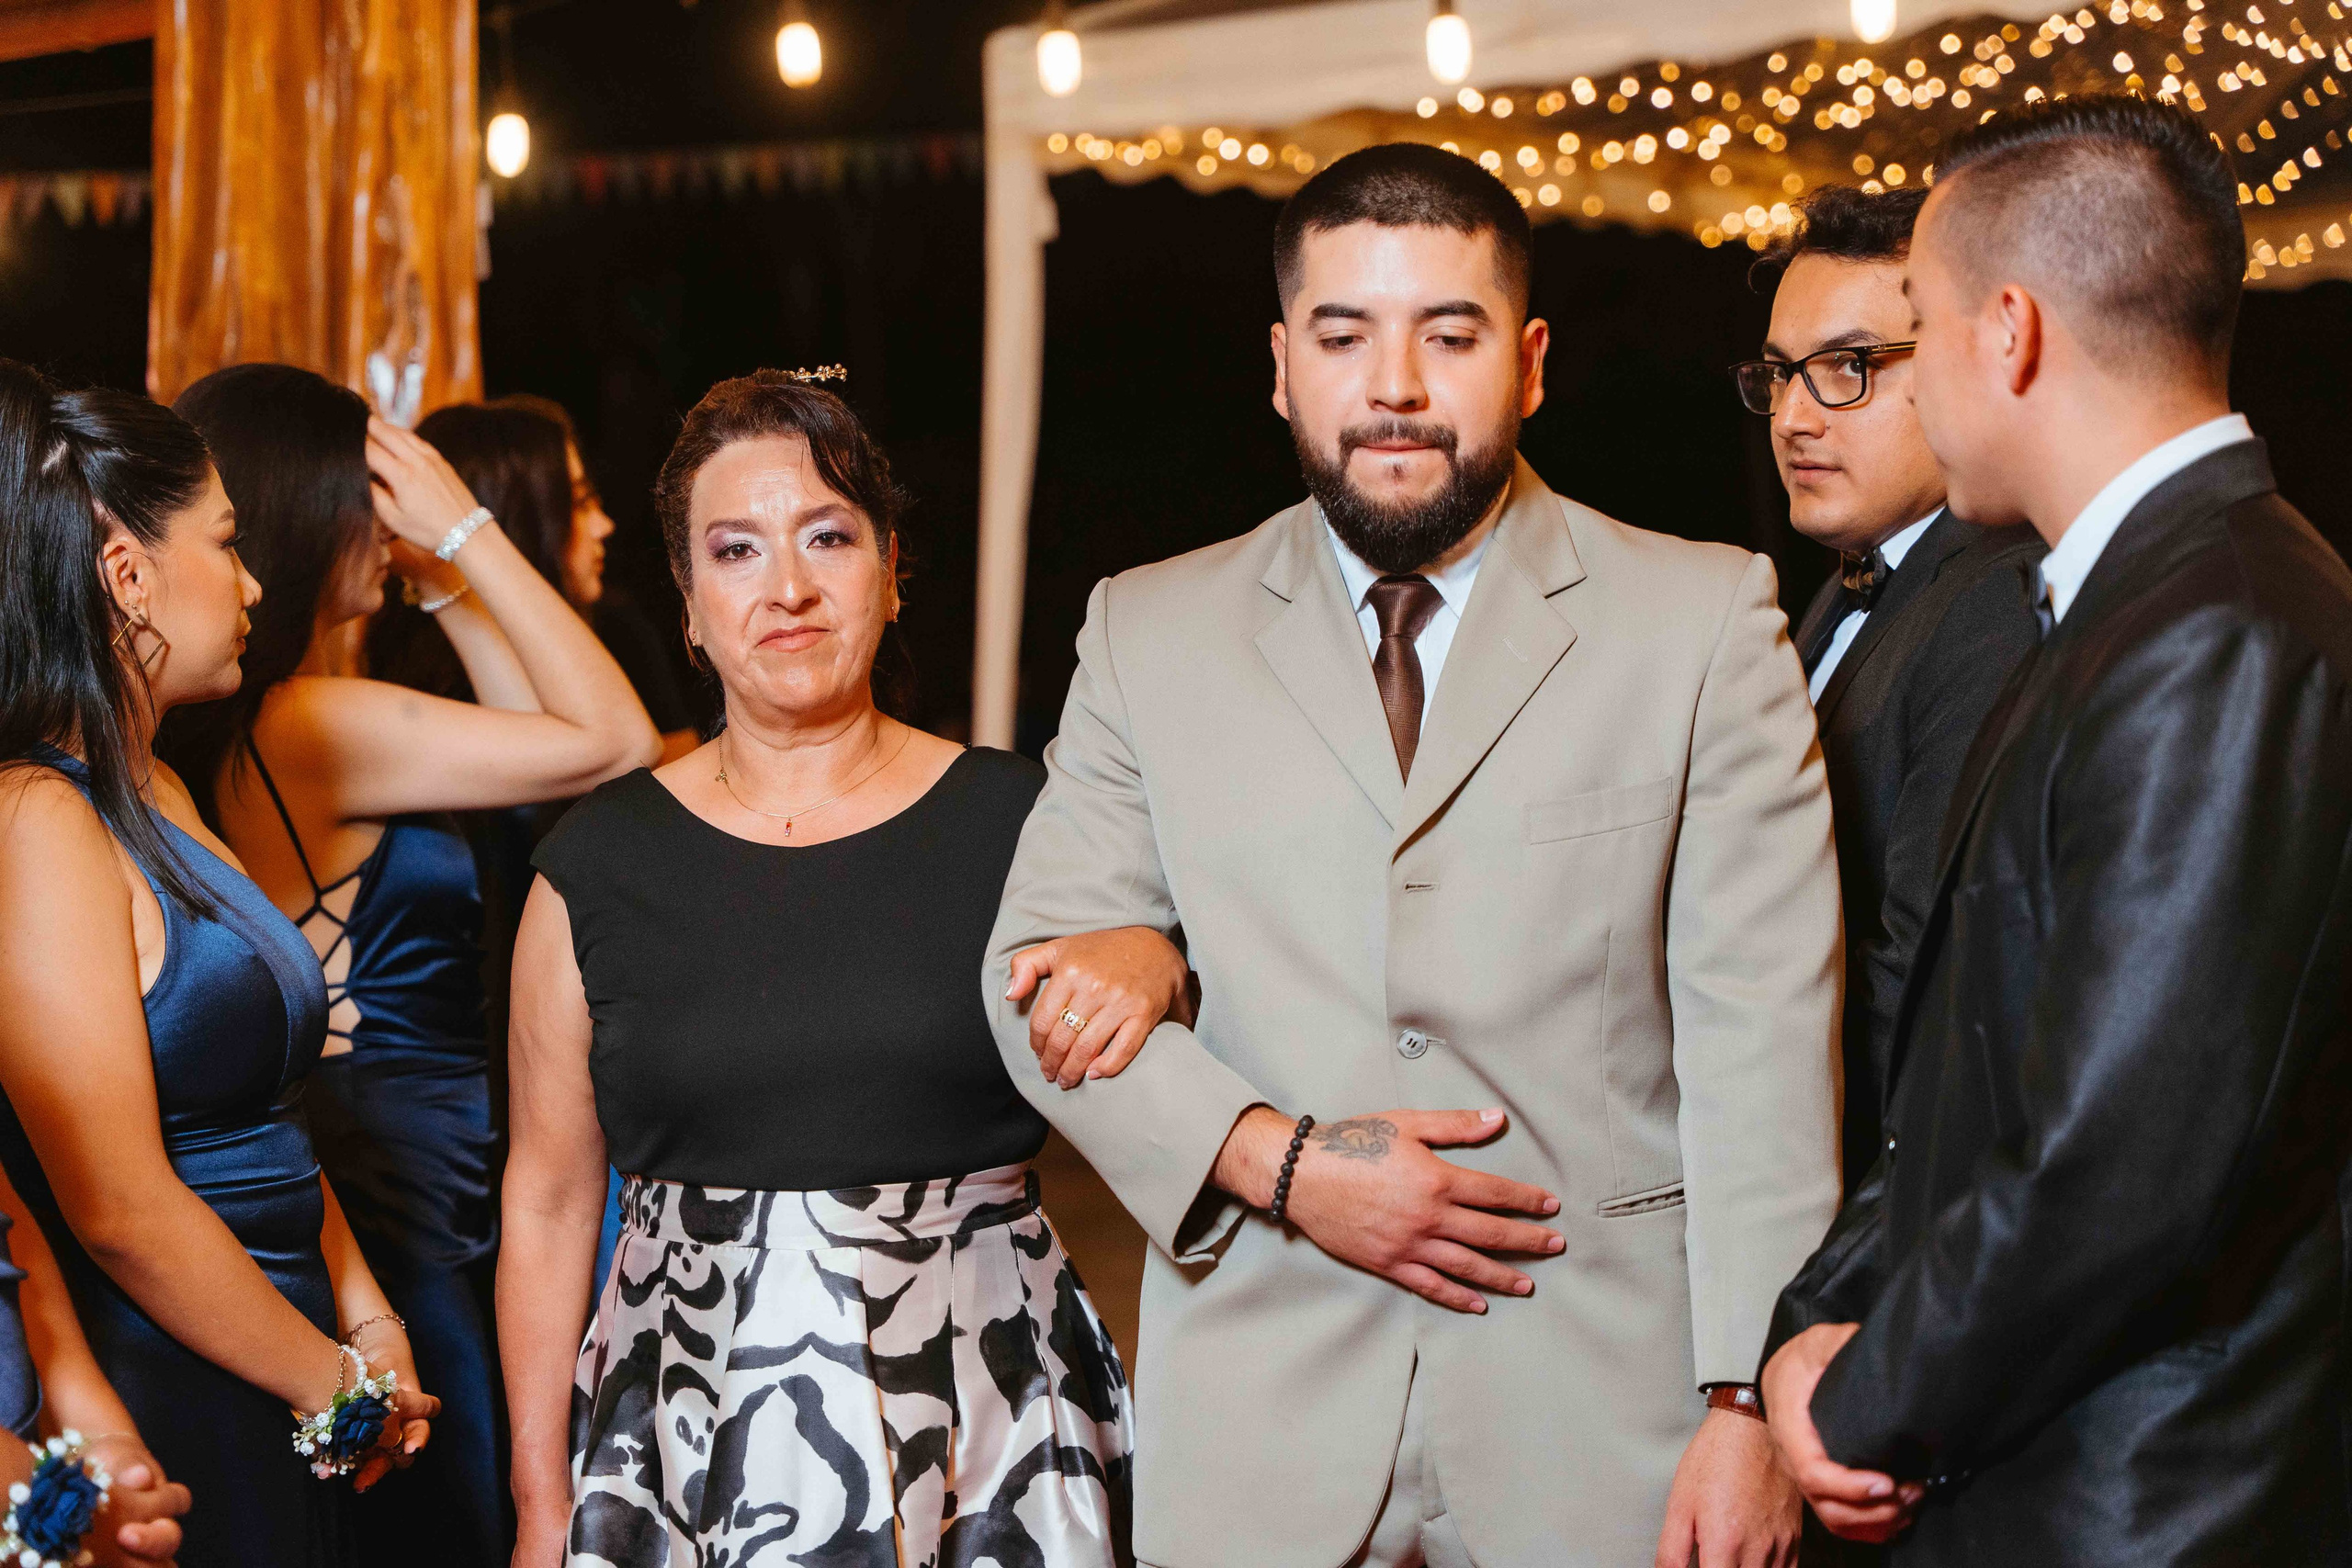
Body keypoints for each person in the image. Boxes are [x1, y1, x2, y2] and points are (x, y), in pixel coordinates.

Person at [986, 143, 1839, 1568]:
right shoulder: (1148, 629)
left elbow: (1763, 1044)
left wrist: (1751, 1398)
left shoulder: (1702, 622)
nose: (1394, 385)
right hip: (1262, 1425)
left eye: (1449, 335)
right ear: (1281, 366)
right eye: (1343, 337)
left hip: (1609, 1430)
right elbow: (1035, 982)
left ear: (1531, 361)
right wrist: (1283, 1163)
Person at [1760, 96, 2352, 1564]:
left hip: (2138, 1497)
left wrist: (1866, 1393)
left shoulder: (2221, 626)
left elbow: (2123, 1156)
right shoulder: (2128, 597)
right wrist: (1816, 1313)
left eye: (1918, 327)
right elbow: (1975, 1060)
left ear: (2007, 333)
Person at [501, 371, 1136, 1568]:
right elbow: (545, 1201)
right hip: (684, 1421)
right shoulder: (595, 864)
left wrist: (1151, 953)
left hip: (990, 1410)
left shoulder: (1023, 824)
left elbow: (1160, 1056)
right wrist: (540, 1502)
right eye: (735, 551)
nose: (786, 587)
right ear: (690, 608)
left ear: (891, 573)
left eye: (828, 537)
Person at [161, 365, 659, 1568]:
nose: (386, 527)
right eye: (368, 500)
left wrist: (444, 577)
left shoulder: (272, 721)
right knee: (457, 1512)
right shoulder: (307, 724)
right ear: (308, 511)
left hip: (403, 1169)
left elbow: (563, 778)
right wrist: (466, 537)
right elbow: (614, 744)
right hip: (402, 1185)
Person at [0, 361, 436, 1568]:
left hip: (290, 1349)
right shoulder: (39, 819)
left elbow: (267, 1110)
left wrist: (368, 1318)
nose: (251, 583)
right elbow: (118, 1209)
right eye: (227, 541)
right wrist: (336, 1389)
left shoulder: (165, 789)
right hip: (175, 1366)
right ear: (127, 573)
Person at [1736, 186, 2044, 1195]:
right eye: (1780, 374)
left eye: (1849, 368)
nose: (1794, 417)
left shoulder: (1999, 598)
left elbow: (1930, 981)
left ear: (1960, 362)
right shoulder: (1850, 579)